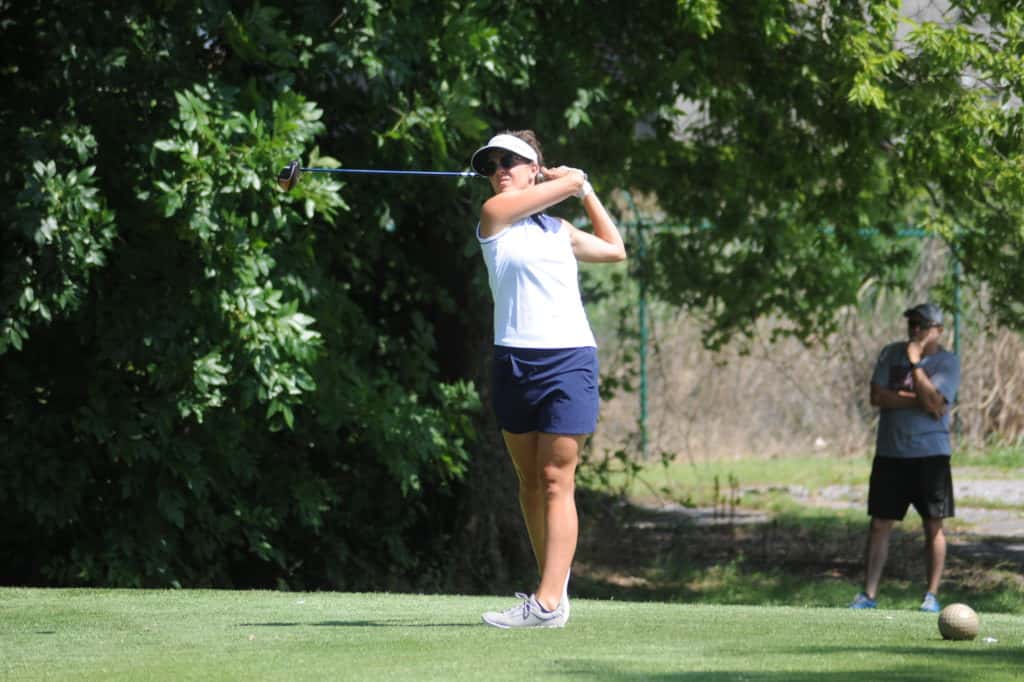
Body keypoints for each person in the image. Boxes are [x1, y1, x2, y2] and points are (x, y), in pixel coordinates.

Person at [470, 131, 626, 628]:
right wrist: (572, 180)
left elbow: (615, 249)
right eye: (491, 164)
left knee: (557, 479)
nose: (499, 170)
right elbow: (558, 187)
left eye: (510, 161)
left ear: (534, 168)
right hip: (514, 363)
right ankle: (552, 592)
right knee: (530, 483)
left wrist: (586, 190)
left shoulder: (559, 230)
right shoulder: (494, 218)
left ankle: (548, 602)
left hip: (568, 361)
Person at [850, 303, 961, 612]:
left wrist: (915, 364)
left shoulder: (947, 362)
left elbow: (936, 403)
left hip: (930, 455)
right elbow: (877, 396)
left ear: (938, 330)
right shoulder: (890, 354)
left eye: (922, 325)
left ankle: (931, 596)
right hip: (891, 453)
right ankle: (868, 595)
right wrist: (921, 401)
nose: (915, 330)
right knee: (879, 524)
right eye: (912, 324)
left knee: (933, 525)